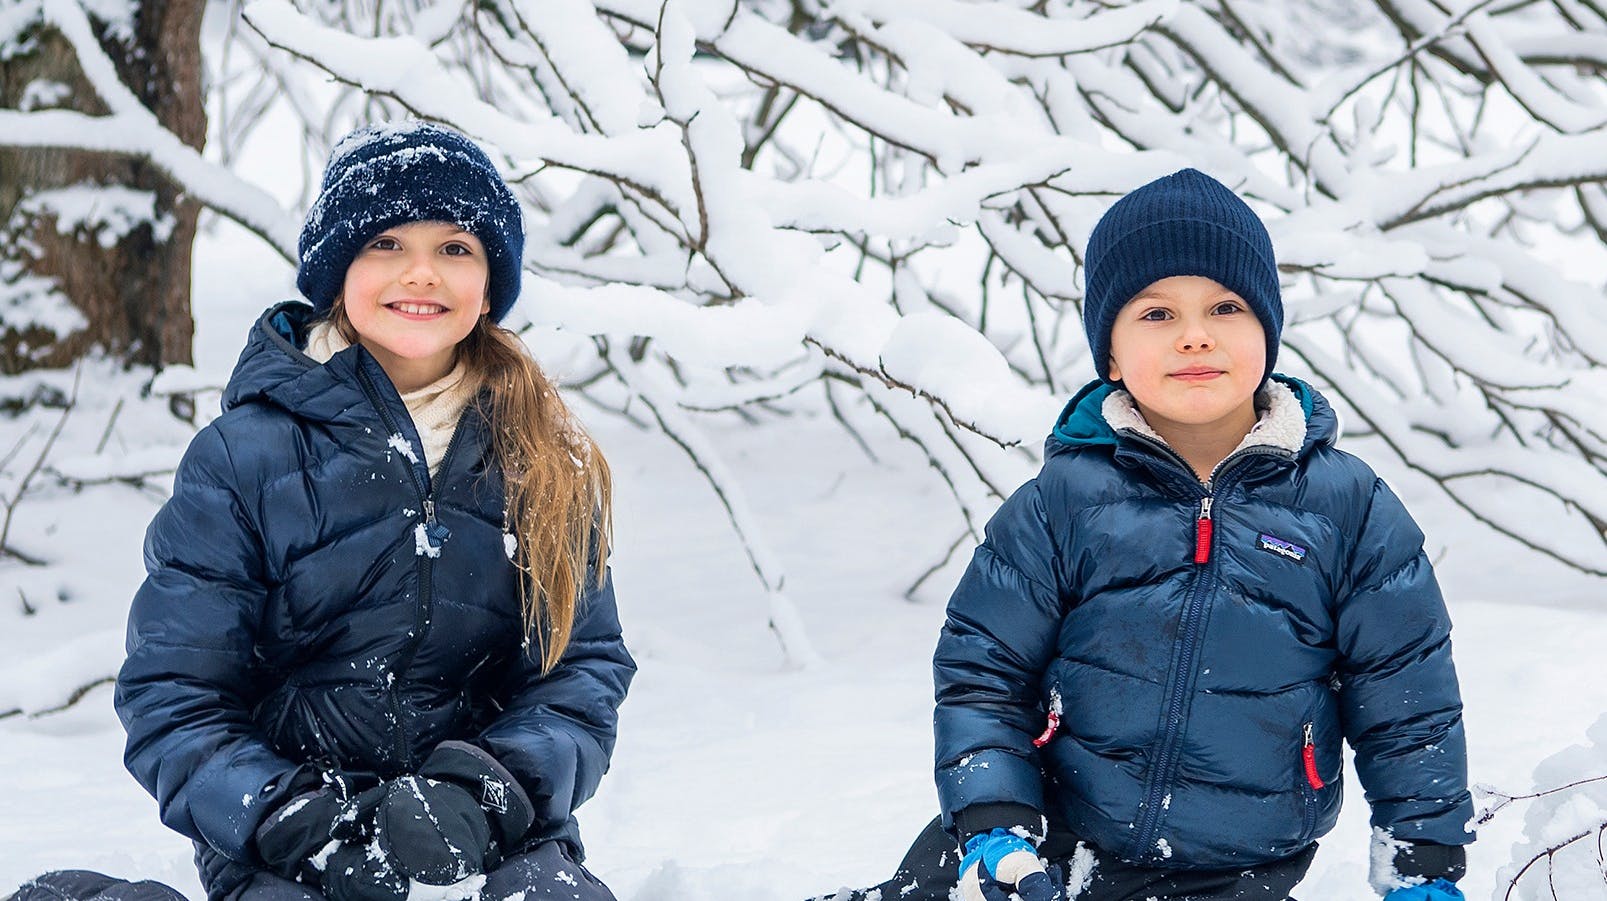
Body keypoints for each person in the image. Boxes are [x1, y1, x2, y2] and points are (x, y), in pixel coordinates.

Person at [810, 169, 1472, 901]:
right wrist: (994, 815)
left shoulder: (1346, 509)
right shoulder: (1063, 501)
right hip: (1045, 840)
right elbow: (984, 669)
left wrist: (1423, 862)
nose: (1194, 335)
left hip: (1235, 865)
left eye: (1224, 306)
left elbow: (1408, 703)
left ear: (1266, 335)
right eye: (1156, 314)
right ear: (1112, 355)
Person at [104, 121, 634, 901]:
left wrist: (488, 794)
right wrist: (300, 821)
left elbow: (580, 669)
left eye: (455, 248)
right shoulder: (243, 457)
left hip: (495, 836)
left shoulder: (544, 456)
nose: (420, 273)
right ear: (334, 272)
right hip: (292, 846)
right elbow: (174, 696)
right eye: (385, 242)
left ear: (490, 285)